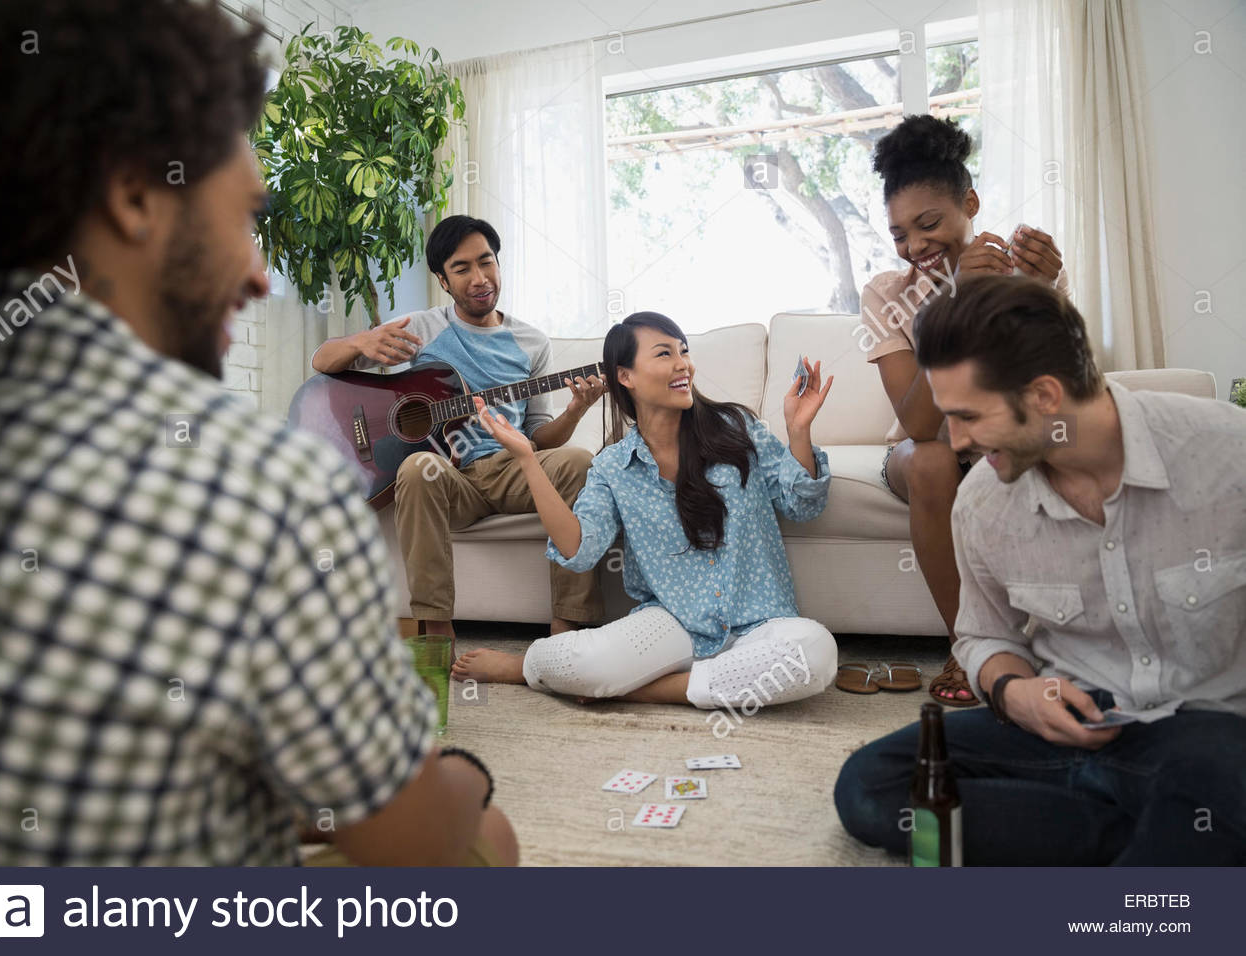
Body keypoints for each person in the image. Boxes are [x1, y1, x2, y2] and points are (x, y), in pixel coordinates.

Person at [0, 0, 515, 867]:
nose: (262, 278)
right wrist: (459, 787)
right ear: (133, 199)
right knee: (484, 840)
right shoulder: (259, 486)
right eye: (244, 220)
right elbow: (416, 838)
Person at [835, 275, 1246, 864]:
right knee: (872, 786)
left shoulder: (1227, 454)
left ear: (1046, 397)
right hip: (1063, 726)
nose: (954, 439)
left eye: (970, 416)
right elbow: (985, 635)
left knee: (1215, 781)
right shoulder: (982, 500)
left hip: (1205, 733)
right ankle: (1151, 837)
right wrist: (1015, 691)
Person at [451, 312, 840, 710]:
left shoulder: (738, 429)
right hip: (673, 623)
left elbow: (802, 504)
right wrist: (527, 460)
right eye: (664, 353)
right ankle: (525, 667)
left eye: (684, 351)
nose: (683, 364)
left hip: (762, 621)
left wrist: (798, 431)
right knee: (588, 660)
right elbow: (579, 550)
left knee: (816, 652)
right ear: (625, 376)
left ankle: (641, 689)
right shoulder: (612, 466)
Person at [312, 216, 607, 643]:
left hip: (513, 470)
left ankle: (568, 625)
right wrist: (360, 343)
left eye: (487, 262)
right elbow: (322, 362)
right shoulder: (420, 328)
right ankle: (435, 630)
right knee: (417, 468)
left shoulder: (532, 343)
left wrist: (576, 411)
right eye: (462, 268)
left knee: (579, 460)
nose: (479, 278)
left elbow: (540, 437)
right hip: (451, 479)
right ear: (442, 280)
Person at [859, 115, 1071, 707]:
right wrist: (954, 300)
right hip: (926, 452)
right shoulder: (887, 294)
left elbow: (1058, 387)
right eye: (900, 233)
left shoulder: (1018, 271)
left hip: (1003, 441)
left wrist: (1046, 293)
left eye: (929, 224)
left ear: (969, 203)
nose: (915, 246)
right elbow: (921, 420)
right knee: (927, 459)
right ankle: (971, 647)